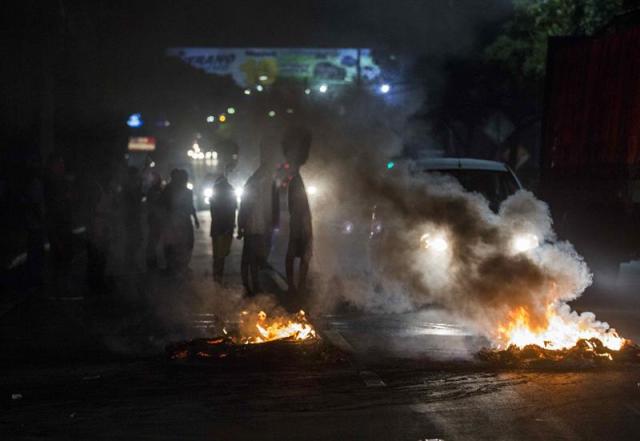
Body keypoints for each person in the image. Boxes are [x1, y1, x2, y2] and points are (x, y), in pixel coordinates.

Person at [237, 137, 280, 296]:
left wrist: (274, 222)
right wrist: (242, 224)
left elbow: (274, 203)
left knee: (254, 256)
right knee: (252, 256)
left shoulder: (265, 177)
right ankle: (250, 286)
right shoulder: (257, 178)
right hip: (255, 224)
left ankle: (252, 285)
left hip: (260, 224)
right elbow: (246, 203)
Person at [282, 126, 312, 297]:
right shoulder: (295, 181)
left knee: (301, 254)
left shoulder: (297, 179)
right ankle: (295, 285)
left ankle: (298, 285)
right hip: (299, 222)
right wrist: (302, 223)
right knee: (296, 253)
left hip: (301, 221)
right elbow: (296, 205)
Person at [43, 153, 74, 297]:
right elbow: (50, 209)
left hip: (65, 224)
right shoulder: (49, 185)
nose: (62, 167)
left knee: (65, 257)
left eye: (62, 164)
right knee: (58, 257)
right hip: (57, 225)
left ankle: (63, 288)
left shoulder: (62, 182)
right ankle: (57, 289)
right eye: (59, 164)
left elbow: (68, 202)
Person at [161, 169, 199, 275]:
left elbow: (191, 206)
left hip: (183, 221)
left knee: (186, 243)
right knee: (173, 244)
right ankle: (173, 266)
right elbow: (163, 206)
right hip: (173, 222)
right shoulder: (169, 190)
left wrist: (195, 218)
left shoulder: (186, 191)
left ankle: (181, 266)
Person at [209, 172, 237, 283]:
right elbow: (233, 210)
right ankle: (218, 274)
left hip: (217, 227)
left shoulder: (215, 190)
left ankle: (217, 274)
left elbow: (213, 210)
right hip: (226, 227)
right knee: (223, 253)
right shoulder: (230, 189)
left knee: (218, 254)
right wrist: (232, 225)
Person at [145, 171, 164, 269]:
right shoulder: (153, 191)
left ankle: (154, 261)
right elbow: (151, 205)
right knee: (154, 241)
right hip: (155, 219)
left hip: (158, 219)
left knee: (156, 240)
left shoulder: (159, 190)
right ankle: (152, 262)